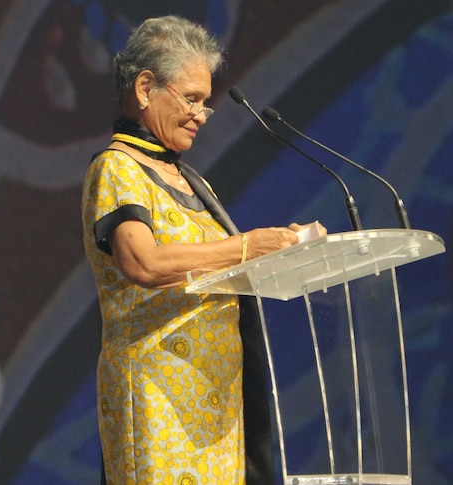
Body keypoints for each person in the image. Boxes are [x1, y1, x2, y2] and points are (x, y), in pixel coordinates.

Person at [81, 16, 325, 484]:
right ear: (145, 88)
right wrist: (247, 245)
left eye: (205, 104)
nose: (200, 114)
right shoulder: (118, 168)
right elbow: (142, 262)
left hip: (216, 401)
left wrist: (286, 248)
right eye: (190, 99)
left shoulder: (192, 180)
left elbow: (221, 263)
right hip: (158, 397)